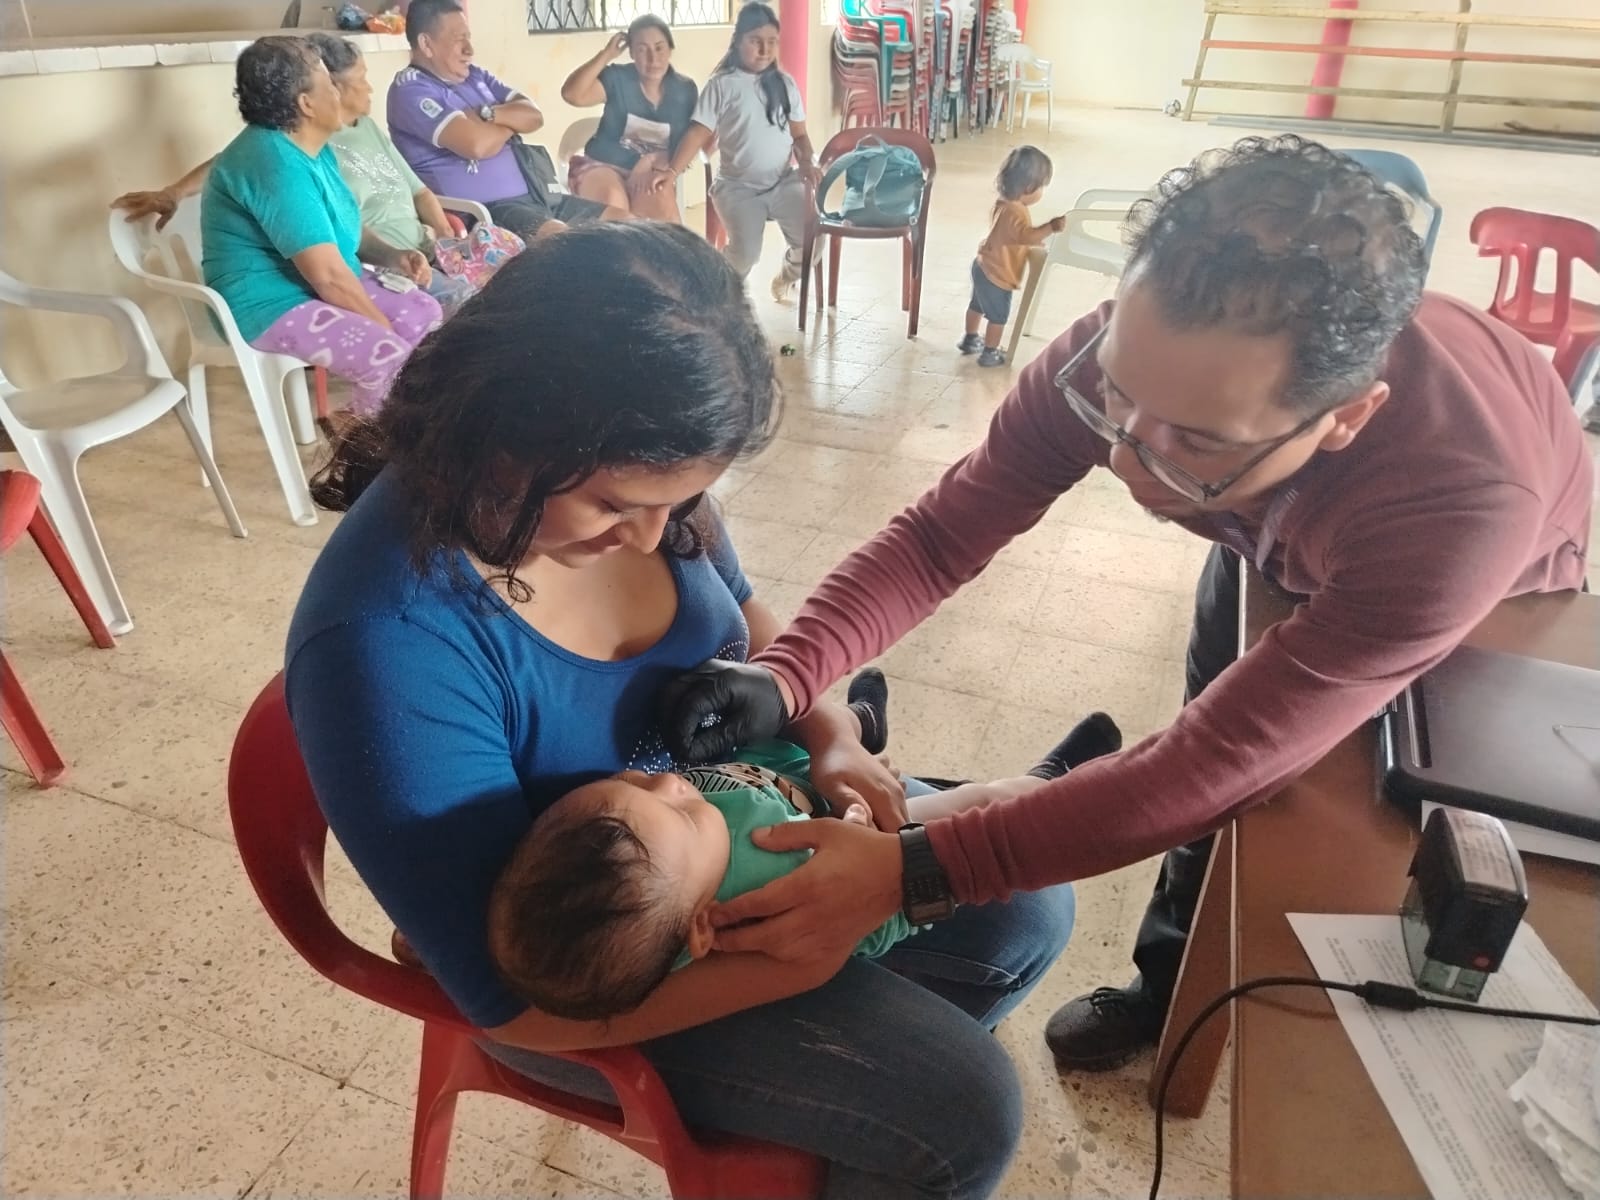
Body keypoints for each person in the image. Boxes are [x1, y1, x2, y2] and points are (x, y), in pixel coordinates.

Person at [658, 135, 1593, 1077]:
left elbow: (1220, 762)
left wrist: (918, 874)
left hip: (1488, 608)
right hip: (1281, 532)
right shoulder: (1155, 360)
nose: (1125, 457)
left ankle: (1231, 1018)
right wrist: (790, 675)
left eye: (1195, 440)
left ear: (1344, 418)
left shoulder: (1461, 508)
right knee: (1211, 757)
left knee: (1343, 824)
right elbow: (943, 536)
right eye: (1116, 395)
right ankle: (1164, 981)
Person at [286, 219, 1076, 1200]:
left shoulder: (653, 485)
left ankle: (850, 1110)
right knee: (963, 1112)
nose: (654, 534)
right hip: (603, 978)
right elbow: (512, 1004)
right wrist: (797, 961)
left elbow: (749, 620)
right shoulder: (385, 649)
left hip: (741, 817)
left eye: (684, 499)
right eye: (618, 505)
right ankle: (872, 1113)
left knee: (1027, 901)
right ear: (497, 427)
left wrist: (828, 730)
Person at [489, 695, 1120, 1023]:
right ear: (702, 926)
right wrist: (876, 838)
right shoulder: (763, 892)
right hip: (878, 841)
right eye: (677, 809)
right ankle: (1054, 787)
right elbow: (875, 916)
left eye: (631, 782)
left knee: (852, 729)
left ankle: (864, 722)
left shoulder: (668, 854)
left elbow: (733, 772)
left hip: (796, 772)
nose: (667, 782)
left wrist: (830, 744)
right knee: (983, 802)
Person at [202, 36, 441, 418]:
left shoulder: (313, 149)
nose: (339, 91)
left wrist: (394, 256)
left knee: (423, 313)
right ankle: (371, 445)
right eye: (330, 83)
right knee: (387, 354)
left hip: (309, 284)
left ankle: (392, 420)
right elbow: (327, 276)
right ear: (306, 104)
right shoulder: (275, 164)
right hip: (266, 303)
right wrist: (382, 327)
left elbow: (345, 230)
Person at [388, 0, 623, 240]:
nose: (469, 49)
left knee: (628, 225)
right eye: (459, 39)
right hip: (489, 213)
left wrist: (489, 116)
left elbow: (534, 116)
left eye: (469, 37)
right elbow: (477, 146)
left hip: (539, 194)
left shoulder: (475, 76)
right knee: (566, 241)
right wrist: (512, 120)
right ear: (426, 44)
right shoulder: (410, 90)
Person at [651, 3, 819, 303]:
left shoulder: (785, 84)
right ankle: (712, 298)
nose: (765, 50)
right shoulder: (722, 85)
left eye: (772, 41)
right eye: (756, 41)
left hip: (783, 182)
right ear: (738, 40)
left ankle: (786, 276)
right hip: (738, 188)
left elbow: (800, 136)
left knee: (813, 240)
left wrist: (807, 161)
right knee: (745, 254)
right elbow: (698, 132)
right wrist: (672, 171)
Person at [559, 17, 699, 222]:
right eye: (642, 49)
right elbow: (572, 95)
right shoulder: (618, 78)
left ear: (670, 49)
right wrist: (606, 54)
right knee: (614, 204)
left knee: (664, 223)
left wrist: (649, 160)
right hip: (602, 164)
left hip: (651, 172)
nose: (652, 58)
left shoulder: (684, 90)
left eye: (659, 48)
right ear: (631, 53)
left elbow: (689, 143)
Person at [959, 146, 1065, 369]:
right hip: (998, 274)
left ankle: (970, 338)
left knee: (977, 304)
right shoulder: (1016, 211)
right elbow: (1024, 235)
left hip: (983, 265)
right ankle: (990, 352)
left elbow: (1009, 235)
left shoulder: (1003, 203)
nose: (1041, 192)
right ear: (1029, 187)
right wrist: (1050, 227)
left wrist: (1030, 241)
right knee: (998, 316)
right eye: (1041, 187)